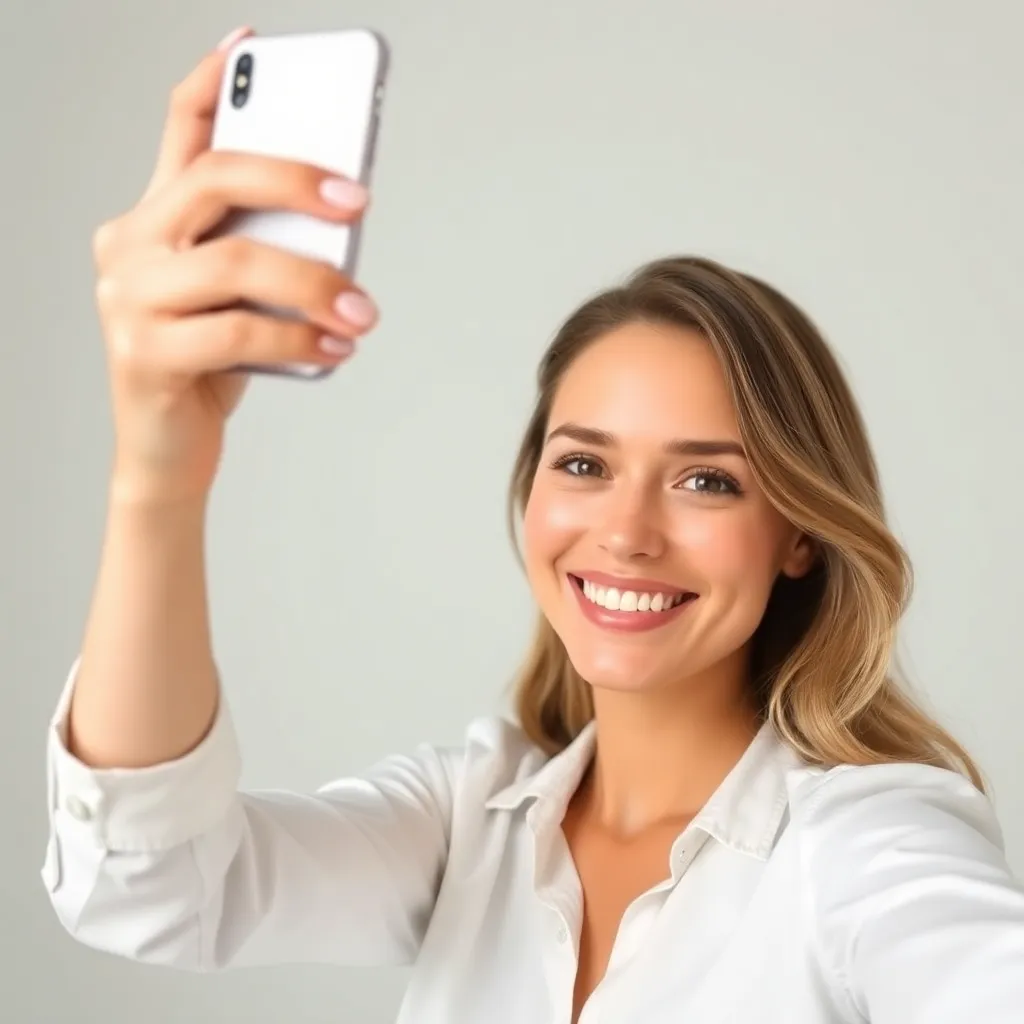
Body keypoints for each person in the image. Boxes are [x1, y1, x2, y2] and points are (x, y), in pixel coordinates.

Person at [42, 26, 1024, 1024]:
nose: (626, 531)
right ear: (531, 493)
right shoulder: (470, 818)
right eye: (585, 464)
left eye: (707, 483)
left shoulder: (868, 840)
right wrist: (157, 473)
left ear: (800, 532)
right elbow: (151, 883)